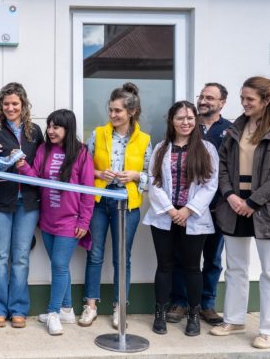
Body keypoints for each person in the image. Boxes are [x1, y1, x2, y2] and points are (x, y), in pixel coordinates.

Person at [210, 76, 270, 349]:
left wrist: (253, 202)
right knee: (235, 267)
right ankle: (234, 319)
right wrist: (231, 196)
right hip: (234, 204)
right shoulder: (237, 127)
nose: (244, 103)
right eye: (242, 98)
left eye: (250, 99)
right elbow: (222, 166)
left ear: (266, 100)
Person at [143, 101, 219, 336]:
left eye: (189, 118)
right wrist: (170, 209)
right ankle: (160, 314)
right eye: (180, 118)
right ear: (171, 121)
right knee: (165, 266)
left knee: (192, 267)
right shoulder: (161, 148)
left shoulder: (206, 149)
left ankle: (193, 316)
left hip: (193, 217)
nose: (185, 122)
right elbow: (153, 181)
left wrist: (187, 210)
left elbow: (211, 184)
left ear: (195, 120)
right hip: (165, 216)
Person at [17, 109, 95, 336]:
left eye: (56, 127)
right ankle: (67, 310)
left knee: (59, 266)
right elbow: (38, 179)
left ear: (67, 129)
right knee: (60, 265)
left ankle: (53, 313)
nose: (50, 131)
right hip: (48, 220)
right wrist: (23, 167)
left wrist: (84, 221)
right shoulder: (44, 149)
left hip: (70, 223)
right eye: (49, 126)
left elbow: (88, 192)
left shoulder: (81, 154)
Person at [81, 83, 152, 329]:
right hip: (100, 201)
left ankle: (119, 307)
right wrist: (101, 172)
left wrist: (133, 176)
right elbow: (85, 168)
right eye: (111, 110)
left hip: (127, 204)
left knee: (123, 259)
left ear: (131, 112)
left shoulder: (144, 140)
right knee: (95, 254)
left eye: (118, 111)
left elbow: (152, 176)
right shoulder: (98, 134)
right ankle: (90, 306)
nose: (112, 115)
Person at [168, 83, 231, 326]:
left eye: (210, 98)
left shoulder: (230, 130)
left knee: (213, 258)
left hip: (216, 207)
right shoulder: (189, 127)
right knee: (181, 257)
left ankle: (207, 304)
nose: (204, 101)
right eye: (201, 97)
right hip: (185, 209)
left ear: (222, 103)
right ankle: (180, 302)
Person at [0, 83, 44, 329]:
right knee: (0, 256)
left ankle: (19, 308)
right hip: (1, 201)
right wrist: (6, 161)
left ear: (23, 105)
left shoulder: (35, 132)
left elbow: (41, 164)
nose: (10, 108)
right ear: (1, 106)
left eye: (15, 104)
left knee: (20, 257)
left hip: (28, 203)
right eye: (6, 104)